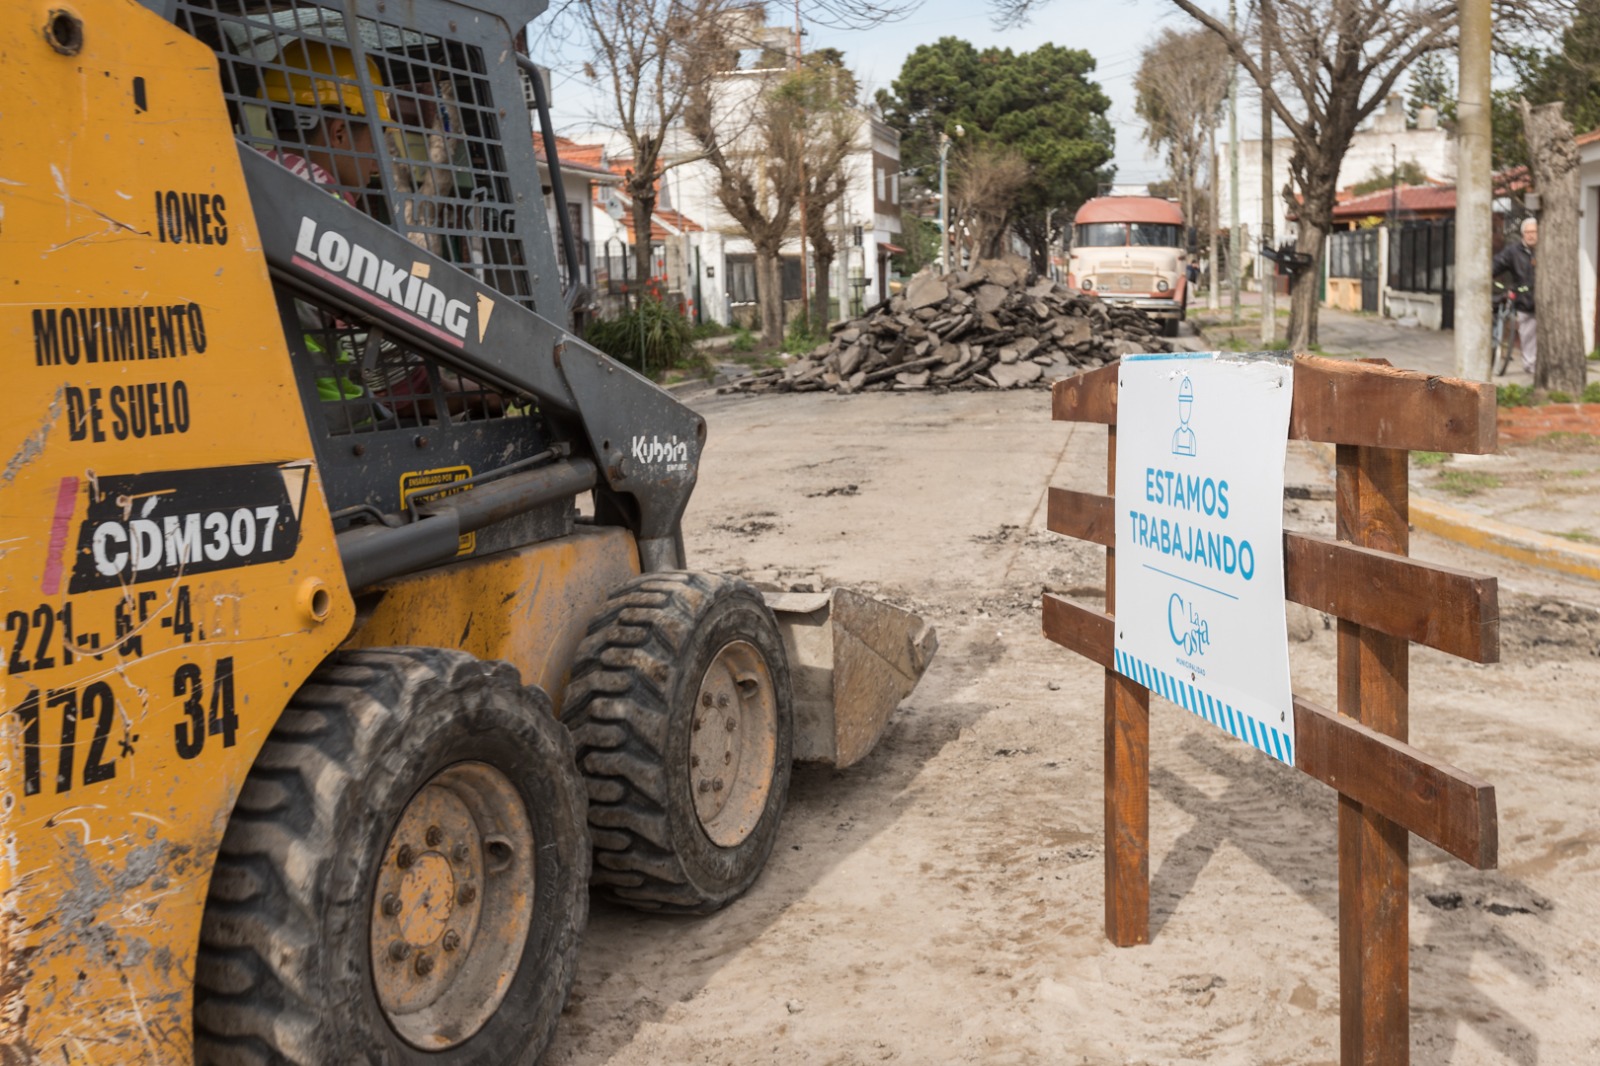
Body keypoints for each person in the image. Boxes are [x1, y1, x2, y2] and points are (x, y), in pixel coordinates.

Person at [1492, 217, 1538, 374]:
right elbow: (1496, 264)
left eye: (1534, 231)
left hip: (1546, 301)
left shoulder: (1545, 250)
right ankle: (1531, 365)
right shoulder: (1513, 251)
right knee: (1528, 332)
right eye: (1528, 232)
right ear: (1523, 234)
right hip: (1525, 300)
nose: (1531, 235)